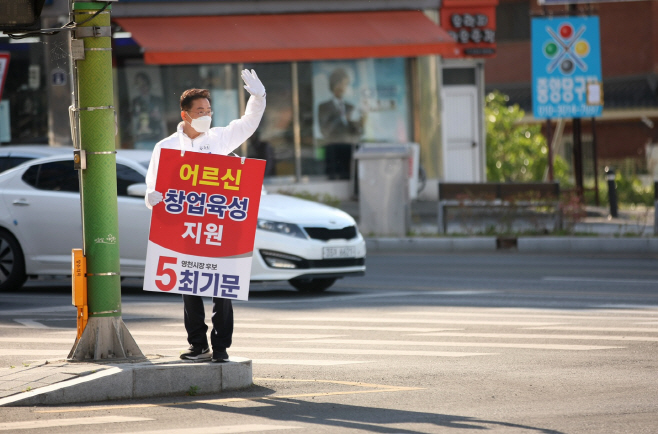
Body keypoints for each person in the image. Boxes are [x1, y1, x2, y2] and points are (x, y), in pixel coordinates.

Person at [144, 69, 266, 363]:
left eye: (209, 110)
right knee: (189, 289)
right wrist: (151, 196)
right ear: (185, 114)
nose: (206, 115)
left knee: (222, 290)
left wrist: (258, 98)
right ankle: (198, 345)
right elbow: (153, 184)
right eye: (200, 111)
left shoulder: (221, 139)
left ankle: (221, 347)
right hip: (185, 230)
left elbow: (248, 123)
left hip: (218, 228)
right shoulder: (166, 147)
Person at [317, 68, 366, 179]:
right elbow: (324, 130)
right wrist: (341, 117)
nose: (345, 87)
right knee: (334, 177)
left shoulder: (350, 107)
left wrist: (359, 123)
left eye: (346, 84)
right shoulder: (324, 107)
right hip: (333, 147)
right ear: (336, 84)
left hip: (350, 147)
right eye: (344, 84)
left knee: (352, 176)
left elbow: (359, 133)